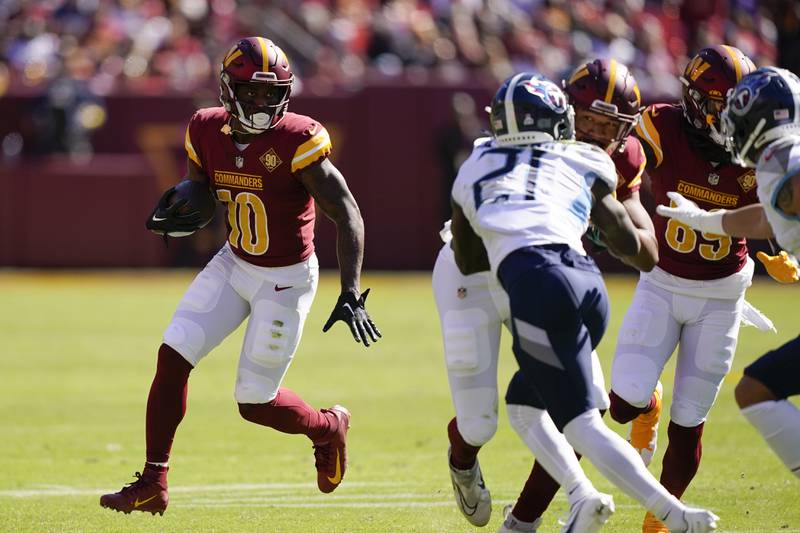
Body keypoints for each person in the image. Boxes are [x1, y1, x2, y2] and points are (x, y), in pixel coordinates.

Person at [99, 36, 381, 516]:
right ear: (228, 90)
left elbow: (347, 211)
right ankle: (153, 481)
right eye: (251, 92)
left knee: (254, 404)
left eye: (271, 94)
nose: (261, 102)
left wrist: (351, 290)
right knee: (173, 357)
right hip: (235, 262)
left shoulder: (298, 139)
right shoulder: (205, 129)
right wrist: (190, 200)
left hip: (286, 278)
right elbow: (205, 188)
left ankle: (326, 426)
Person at [449, 72, 718, 533]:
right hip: (587, 285)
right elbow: (641, 251)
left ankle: (668, 515)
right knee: (525, 405)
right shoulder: (579, 160)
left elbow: (468, 258)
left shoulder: (476, 162)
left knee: (581, 425)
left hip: (536, 283)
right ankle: (571, 501)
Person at [606, 45, 782, 533]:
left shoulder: (757, 149)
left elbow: (775, 213)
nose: (728, 119)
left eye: (736, 107)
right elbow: (618, 160)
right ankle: (648, 406)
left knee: (689, 424)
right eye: (719, 106)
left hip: (721, 297)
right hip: (662, 284)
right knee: (622, 404)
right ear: (693, 100)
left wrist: (779, 249)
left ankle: (658, 523)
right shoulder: (661, 127)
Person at [656, 66, 800, 480]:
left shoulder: (781, 156)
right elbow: (768, 219)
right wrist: (708, 221)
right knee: (755, 390)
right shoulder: (781, 161)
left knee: (756, 392)